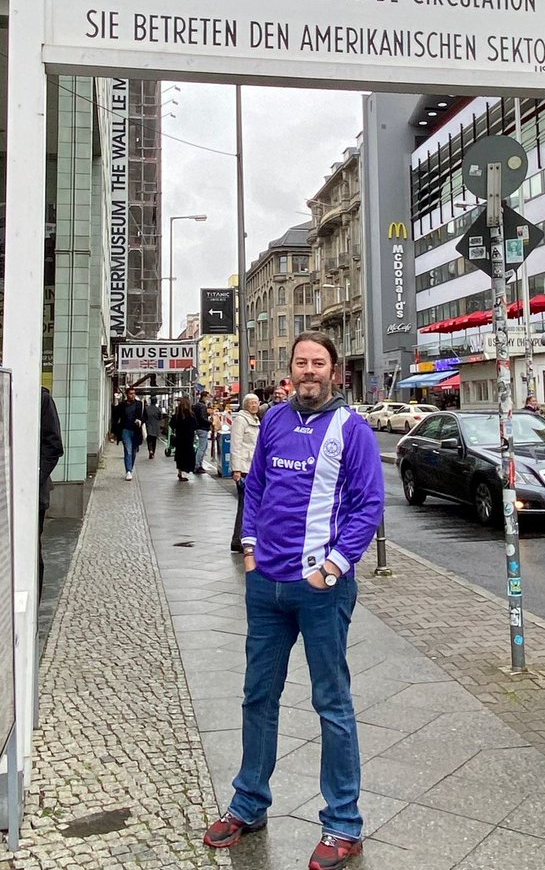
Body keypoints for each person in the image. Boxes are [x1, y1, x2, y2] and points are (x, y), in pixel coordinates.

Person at [204, 333, 385, 870]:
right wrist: (252, 549)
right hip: (266, 587)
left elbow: (368, 505)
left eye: (319, 364)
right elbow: (256, 486)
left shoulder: (352, 429)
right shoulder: (277, 420)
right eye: (301, 363)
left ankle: (343, 824)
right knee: (257, 695)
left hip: (321, 590)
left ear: (334, 372)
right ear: (291, 371)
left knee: (332, 702)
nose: (310, 371)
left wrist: (333, 567)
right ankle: (249, 802)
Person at [39, 387, 64, 601]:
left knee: (29, 551)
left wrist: (32, 480)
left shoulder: (40, 398)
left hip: (32, 494)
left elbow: (54, 445)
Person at [229, 393, 261, 553]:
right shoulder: (241, 420)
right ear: (246, 405)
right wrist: (236, 470)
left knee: (249, 504)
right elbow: (235, 445)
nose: (254, 405)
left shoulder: (255, 420)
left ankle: (243, 537)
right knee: (244, 504)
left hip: (253, 468)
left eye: (256, 403)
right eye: (251, 403)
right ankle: (238, 538)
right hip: (244, 469)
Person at [114, 387, 144, 481]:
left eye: (134, 393)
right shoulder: (122, 405)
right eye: (131, 393)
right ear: (127, 395)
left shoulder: (139, 404)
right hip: (125, 430)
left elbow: (145, 416)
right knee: (128, 450)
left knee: (134, 451)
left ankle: (130, 468)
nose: (133, 395)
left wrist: (140, 421)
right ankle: (129, 471)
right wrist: (113, 432)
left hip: (136, 431)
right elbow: (116, 418)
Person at [170, 396, 198, 482]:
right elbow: (196, 426)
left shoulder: (177, 415)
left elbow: (171, 424)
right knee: (188, 455)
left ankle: (180, 471)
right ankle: (184, 472)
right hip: (188, 439)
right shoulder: (191, 415)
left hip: (179, 438)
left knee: (179, 455)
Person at [193, 390, 212, 474]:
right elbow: (202, 418)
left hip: (198, 427)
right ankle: (197, 466)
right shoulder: (202, 406)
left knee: (203, 447)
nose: (209, 399)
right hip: (202, 428)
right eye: (208, 397)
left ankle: (198, 464)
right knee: (202, 447)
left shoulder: (197, 405)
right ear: (204, 397)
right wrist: (210, 422)